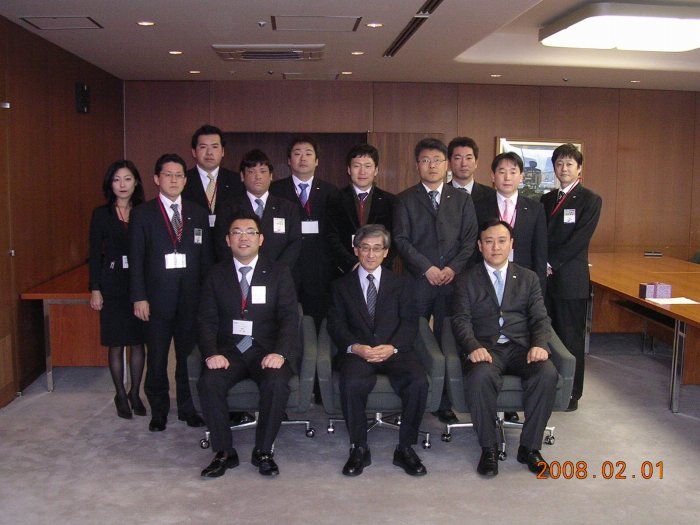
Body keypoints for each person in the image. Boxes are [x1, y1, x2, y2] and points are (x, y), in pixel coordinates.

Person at [451, 219, 558, 477]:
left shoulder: (528, 277)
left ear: (511, 244)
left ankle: (530, 448)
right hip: (487, 348)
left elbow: (540, 318)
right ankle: (488, 447)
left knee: (546, 373)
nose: (495, 247)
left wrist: (539, 344)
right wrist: (472, 346)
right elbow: (461, 320)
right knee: (479, 376)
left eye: (501, 241)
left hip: (522, 347)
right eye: (489, 242)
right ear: (480, 246)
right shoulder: (466, 279)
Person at [198, 212, 299, 478]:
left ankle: (263, 451)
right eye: (237, 232)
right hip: (229, 352)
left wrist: (280, 353)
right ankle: (223, 452)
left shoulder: (278, 272)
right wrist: (211, 354)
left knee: (277, 382)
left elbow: (289, 317)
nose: (243, 237)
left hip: (266, 350)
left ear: (261, 239)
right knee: (209, 382)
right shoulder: (215, 274)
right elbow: (206, 319)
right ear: (228, 240)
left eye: (250, 232)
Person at [327, 224, 428, 477]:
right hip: (359, 352)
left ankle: (405, 448)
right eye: (365, 248)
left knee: (418, 381)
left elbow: (409, 323)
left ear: (386, 252)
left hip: (395, 350)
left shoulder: (402, 283)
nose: (370, 254)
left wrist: (393, 347)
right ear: (356, 250)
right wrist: (356, 347)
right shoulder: (341, 286)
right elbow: (336, 325)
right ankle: (359, 447)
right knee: (351, 382)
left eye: (376, 248)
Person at [393, 137, 478, 425]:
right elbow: (401, 240)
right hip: (417, 282)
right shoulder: (405, 199)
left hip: (453, 283)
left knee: (448, 341)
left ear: (447, 165)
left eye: (437, 160)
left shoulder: (462, 199)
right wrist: (427, 268)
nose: (432, 166)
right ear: (417, 165)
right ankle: (414, 395)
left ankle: (443, 402)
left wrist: (452, 268)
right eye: (426, 161)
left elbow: (469, 241)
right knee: (413, 338)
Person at [129, 153, 212, 432]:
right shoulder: (143, 214)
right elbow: (136, 259)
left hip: (191, 300)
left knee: (188, 359)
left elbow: (205, 259)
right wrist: (139, 297)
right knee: (157, 359)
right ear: (156, 179)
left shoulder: (197, 212)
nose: (173, 180)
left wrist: (207, 299)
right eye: (168, 175)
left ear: (185, 180)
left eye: (179, 175)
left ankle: (188, 408)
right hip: (155, 300)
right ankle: (159, 411)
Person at [540, 143, 602, 412]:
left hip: (570, 280)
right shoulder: (546, 199)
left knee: (570, 338)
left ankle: (572, 393)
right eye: (559, 164)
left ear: (579, 169)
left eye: (569, 164)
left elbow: (579, 239)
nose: (563, 168)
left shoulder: (590, 199)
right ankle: (550, 387)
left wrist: (551, 262)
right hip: (545, 279)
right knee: (547, 335)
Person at [89, 160, 146, 419]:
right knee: (116, 342)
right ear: (110, 184)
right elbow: (94, 253)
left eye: (127, 179)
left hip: (138, 284)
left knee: (137, 341)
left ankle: (135, 393)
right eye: (116, 180)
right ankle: (120, 395)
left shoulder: (144, 211)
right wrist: (95, 288)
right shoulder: (101, 214)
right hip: (112, 283)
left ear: (136, 182)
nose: (122, 185)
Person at [270, 136, 338, 329]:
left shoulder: (330, 191)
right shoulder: (275, 190)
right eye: (297, 153)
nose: (303, 158)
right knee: (284, 318)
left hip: (319, 268)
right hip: (286, 266)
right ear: (289, 160)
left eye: (308, 154)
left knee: (317, 320)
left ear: (317, 161)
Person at [473, 151, 547, 292]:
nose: (507, 177)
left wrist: (539, 290)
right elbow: (474, 247)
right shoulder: (478, 207)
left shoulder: (535, 209)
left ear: (521, 177)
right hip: (485, 280)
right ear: (493, 176)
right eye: (502, 172)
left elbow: (540, 253)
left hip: (523, 280)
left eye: (513, 172)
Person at [214, 149, 301, 267]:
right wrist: (244, 269)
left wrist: (276, 272)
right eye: (251, 171)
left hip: (277, 274)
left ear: (271, 176)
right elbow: (221, 244)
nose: (258, 176)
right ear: (242, 176)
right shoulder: (228, 208)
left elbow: (294, 245)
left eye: (263, 171)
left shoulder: (288, 208)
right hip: (240, 273)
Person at [326, 144, 397, 275]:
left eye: (368, 166)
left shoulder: (390, 201)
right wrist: (352, 264)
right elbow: (331, 237)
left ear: (376, 170)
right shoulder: (334, 199)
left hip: (381, 271)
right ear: (349, 169)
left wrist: (376, 266)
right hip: (344, 271)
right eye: (357, 166)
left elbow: (395, 238)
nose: (362, 172)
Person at [182, 124, 245, 231]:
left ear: (223, 151)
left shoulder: (236, 180)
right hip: (194, 238)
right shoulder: (183, 180)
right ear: (194, 152)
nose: (209, 153)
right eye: (203, 147)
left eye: (214, 147)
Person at [447, 136, 495, 202]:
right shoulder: (440, 194)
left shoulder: (491, 195)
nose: (464, 164)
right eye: (458, 158)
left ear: (476, 163)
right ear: (449, 163)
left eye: (468, 158)